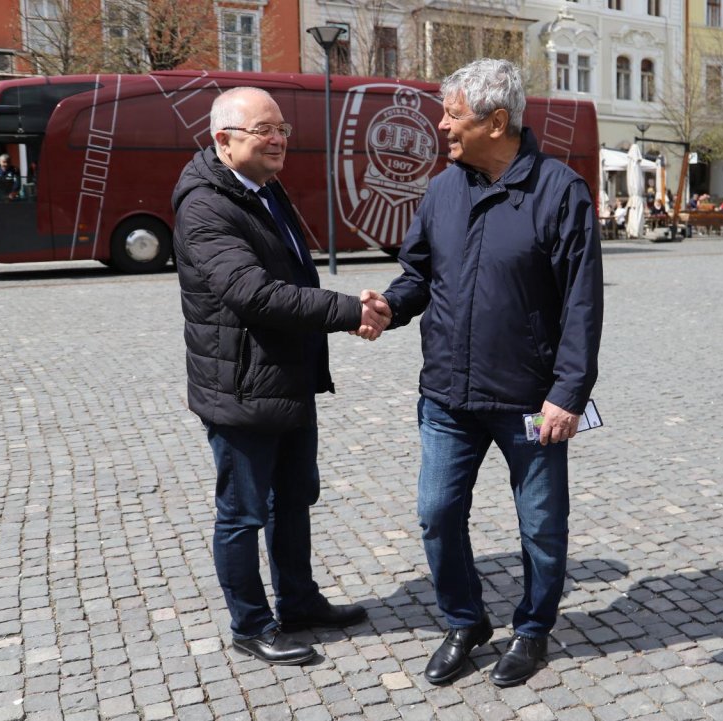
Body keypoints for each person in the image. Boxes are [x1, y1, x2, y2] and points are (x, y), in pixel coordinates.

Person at [375, 59, 603, 687]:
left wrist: (568, 394)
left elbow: (582, 302)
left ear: (496, 122)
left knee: (541, 526)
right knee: (436, 513)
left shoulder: (560, 191)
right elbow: (418, 272)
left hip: (530, 399)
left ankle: (532, 630)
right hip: (447, 395)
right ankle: (465, 620)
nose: (441, 125)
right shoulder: (443, 189)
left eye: (453, 115)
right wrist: (389, 306)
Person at [170, 86, 389, 666]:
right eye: (264, 130)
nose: (278, 140)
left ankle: (299, 602)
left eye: (282, 129)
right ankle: (250, 624)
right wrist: (348, 311)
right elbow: (254, 294)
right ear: (224, 140)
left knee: (292, 498)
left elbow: (293, 277)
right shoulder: (205, 205)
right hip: (240, 386)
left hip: (285, 378)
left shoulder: (262, 188)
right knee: (242, 513)